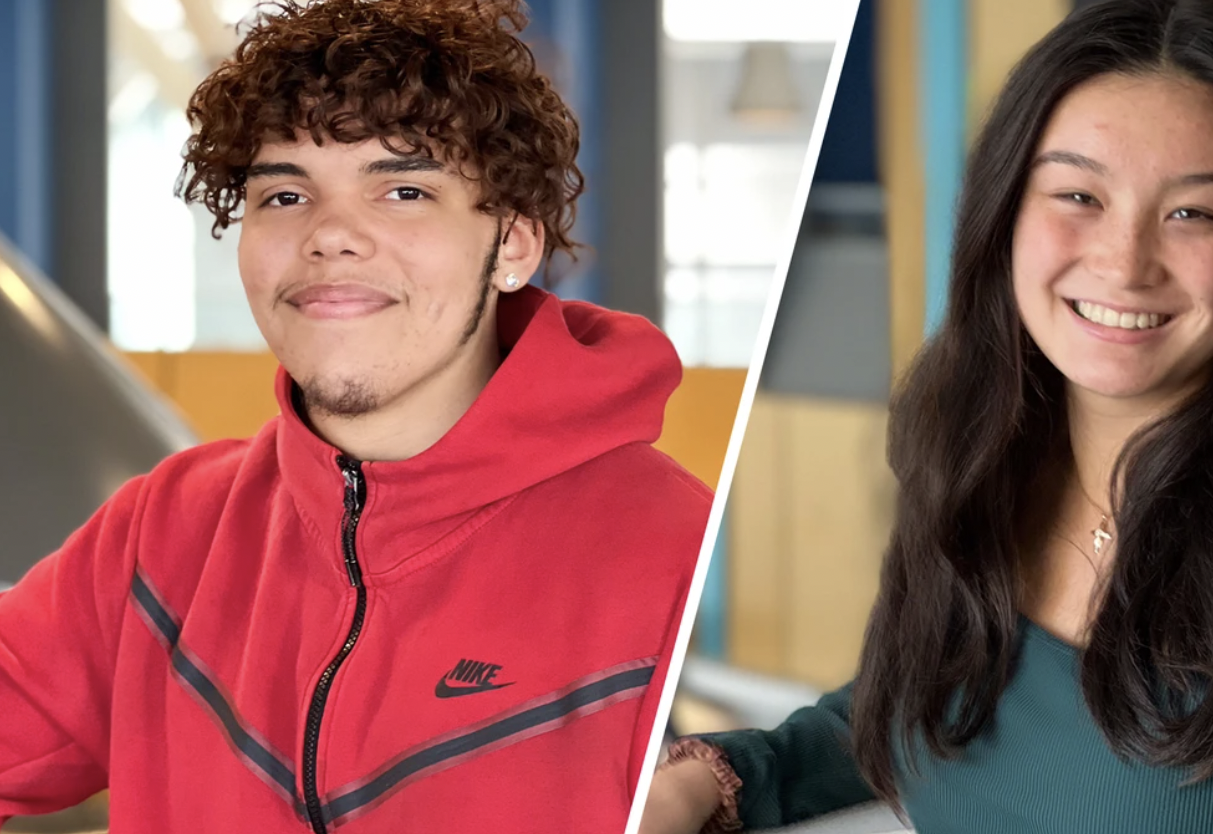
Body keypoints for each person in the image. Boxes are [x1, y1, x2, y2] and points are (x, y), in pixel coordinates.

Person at [641, 0, 1213, 831]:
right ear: (1005, 213)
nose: (1124, 261)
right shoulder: (978, 469)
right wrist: (713, 780)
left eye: (1194, 212)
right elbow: (905, 716)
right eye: (1079, 195)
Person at [0, 1, 711, 832]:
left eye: (404, 189)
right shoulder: (163, 535)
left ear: (514, 244)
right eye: (285, 194)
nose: (331, 234)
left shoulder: (665, 552)